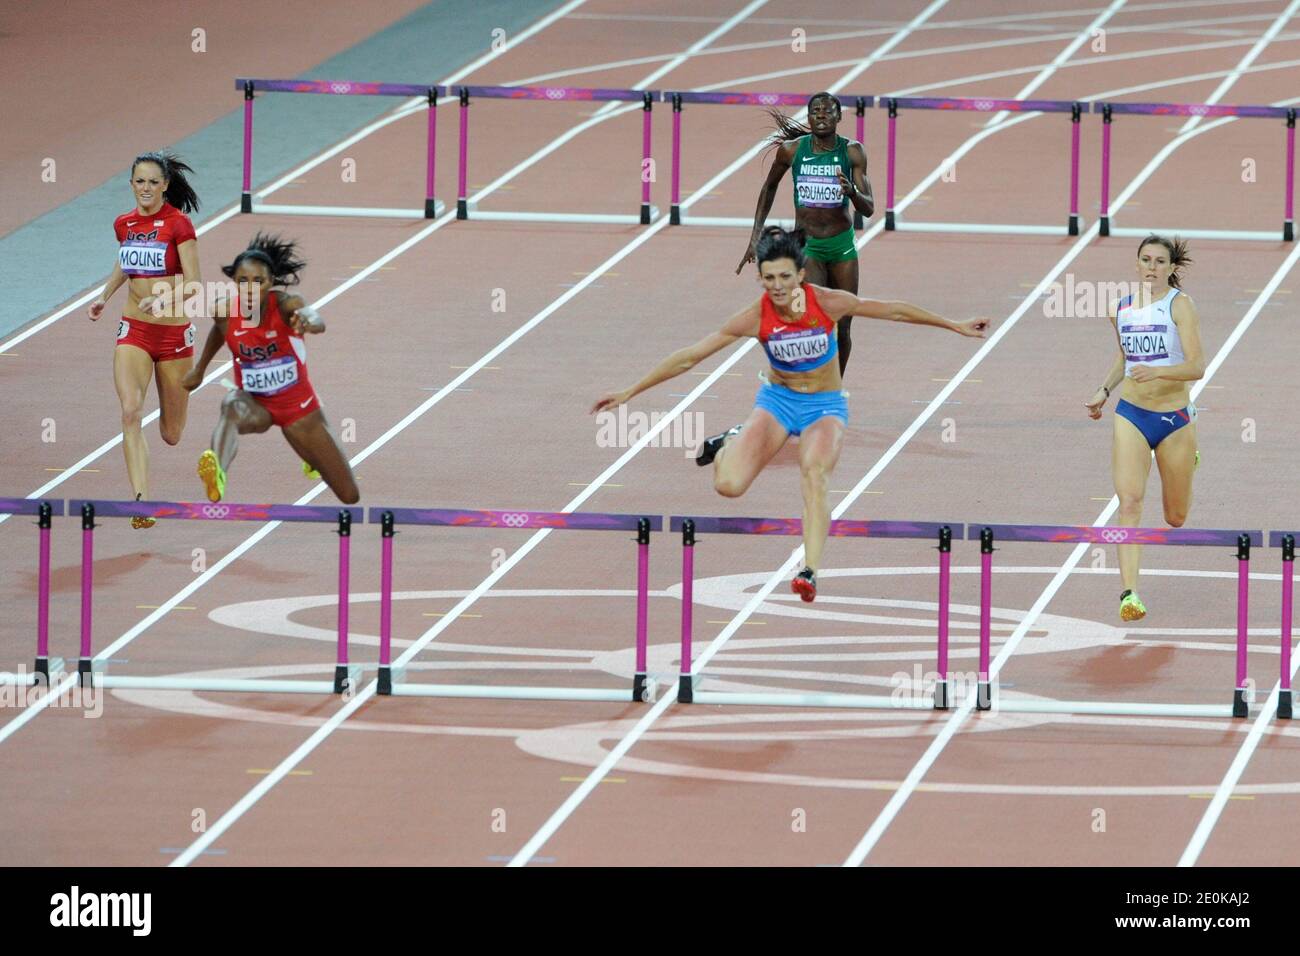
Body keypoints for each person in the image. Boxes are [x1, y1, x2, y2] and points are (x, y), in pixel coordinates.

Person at [594, 226, 988, 602]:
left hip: (824, 406)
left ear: (800, 274)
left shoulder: (827, 301)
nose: (778, 286)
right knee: (728, 486)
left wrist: (954, 325)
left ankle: (810, 571)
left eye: (785, 276)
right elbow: (690, 358)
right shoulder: (755, 316)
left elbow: (896, 312)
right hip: (777, 402)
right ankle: (730, 441)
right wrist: (631, 390)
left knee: (815, 475)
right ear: (761, 280)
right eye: (769, 279)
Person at [182, 234, 359, 505]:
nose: (250, 289)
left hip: (298, 408)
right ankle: (217, 471)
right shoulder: (225, 312)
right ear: (234, 283)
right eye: (243, 281)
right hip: (256, 405)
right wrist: (200, 369)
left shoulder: (288, 305)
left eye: (258, 281)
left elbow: (314, 317)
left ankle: (311, 458)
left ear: (271, 282)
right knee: (231, 405)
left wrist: (310, 322)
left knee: (349, 496)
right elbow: (219, 332)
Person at [1084, 235, 1204, 622]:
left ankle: (1189, 457)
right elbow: (1124, 357)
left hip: (1173, 418)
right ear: (1137, 264)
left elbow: (1197, 367)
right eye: (1145, 260)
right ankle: (1129, 593)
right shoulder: (1121, 308)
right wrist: (1104, 389)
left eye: (1159, 261)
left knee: (1175, 517)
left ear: (1171, 268)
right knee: (1130, 502)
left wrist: (1160, 371)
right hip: (1132, 413)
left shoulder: (1180, 306)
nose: (1151, 267)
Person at [87, 151, 202, 528]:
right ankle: (141, 502)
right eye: (140, 181)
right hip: (134, 329)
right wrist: (104, 296)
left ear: (166, 185)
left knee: (171, 434)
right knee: (130, 411)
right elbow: (125, 261)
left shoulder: (179, 225)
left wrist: (164, 298)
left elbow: (194, 283)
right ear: (132, 184)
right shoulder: (124, 224)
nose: (146, 188)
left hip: (173, 336)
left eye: (154, 182)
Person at [736, 92, 874, 376]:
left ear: (838, 117)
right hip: (809, 247)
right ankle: (810, 384)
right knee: (814, 321)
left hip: (842, 247)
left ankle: (834, 387)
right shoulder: (792, 150)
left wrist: (853, 193)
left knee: (844, 325)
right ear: (808, 118)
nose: (821, 116)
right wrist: (754, 238)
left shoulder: (852, 152)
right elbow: (769, 187)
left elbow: (869, 208)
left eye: (827, 112)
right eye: (815, 112)